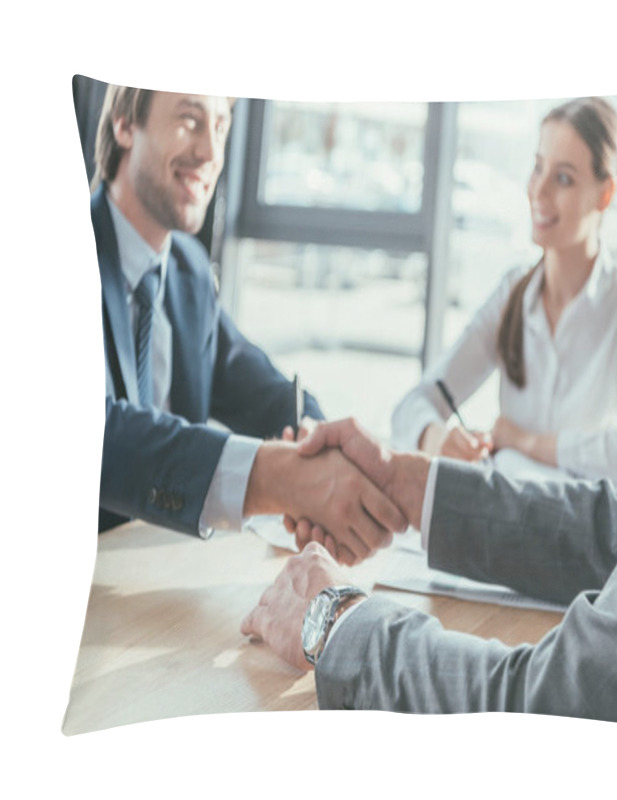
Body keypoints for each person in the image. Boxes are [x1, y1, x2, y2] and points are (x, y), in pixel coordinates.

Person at [240, 75, 617, 735]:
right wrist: (410, 479)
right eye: (538, 169)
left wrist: (333, 620)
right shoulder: (516, 291)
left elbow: (571, 700)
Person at [93, 85, 406, 560]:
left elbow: (256, 384)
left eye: (221, 126)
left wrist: (322, 447)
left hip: (153, 574)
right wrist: (276, 479)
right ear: (125, 123)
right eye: (190, 119)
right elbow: (93, 436)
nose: (211, 152)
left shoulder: (187, 271)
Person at [391, 97, 617, 485]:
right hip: (502, 524)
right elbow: (412, 405)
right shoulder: (514, 292)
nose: (538, 192)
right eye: (537, 167)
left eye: (563, 178)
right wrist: (436, 437)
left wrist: (527, 441)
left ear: (605, 193)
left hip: (585, 534)